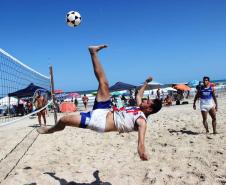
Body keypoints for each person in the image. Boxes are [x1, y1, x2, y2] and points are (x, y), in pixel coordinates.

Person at [37, 45, 162, 160]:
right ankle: (93, 52)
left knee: (64, 120)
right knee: (104, 83)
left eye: (148, 101)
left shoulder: (141, 121)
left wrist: (142, 152)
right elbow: (139, 94)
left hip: (99, 122)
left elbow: (141, 142)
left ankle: (50, 130)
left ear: (150, 109)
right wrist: (146, 82)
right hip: (104, 110)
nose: (144, 100)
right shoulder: (139, 107)